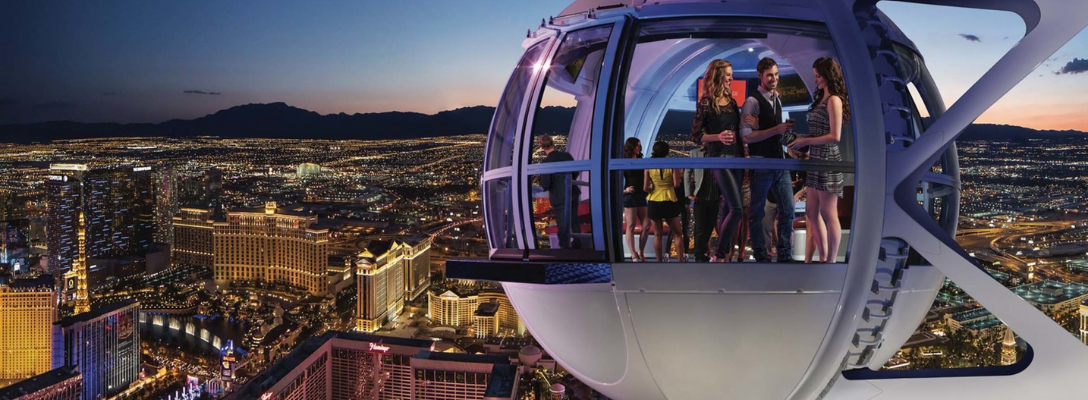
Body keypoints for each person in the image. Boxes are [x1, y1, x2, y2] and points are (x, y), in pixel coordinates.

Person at [788, 57, 849, 263]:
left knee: (828, 212)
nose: (816, 80)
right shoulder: (821, 99)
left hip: (828, 160)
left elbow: (835, 136)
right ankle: (822, 256)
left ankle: (830, 260)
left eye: (818, 76)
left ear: (828, 75)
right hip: (815, 159)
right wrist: (801, 141)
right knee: (812, 212)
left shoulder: (834, 100)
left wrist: (807, 140)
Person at [740, 57, 796, 262]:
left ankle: (784, 253)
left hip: (779, 163)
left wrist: (791, 141)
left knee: (788, 210)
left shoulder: (777, 98)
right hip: (761, 163)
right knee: (756, 213)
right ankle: (760, 255)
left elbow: (775, 133)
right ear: (760, 75)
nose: (774, 79)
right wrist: (775, 129)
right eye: (770, 75)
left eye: (776, 75)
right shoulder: (752, 101)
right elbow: (746, 136)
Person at [690, 59, 745, 262]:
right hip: (719, 158)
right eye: (728, 74)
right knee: (737, 208)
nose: (731, 78)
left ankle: (723, 254)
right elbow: (695, 135)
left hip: (738, 158)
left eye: (732, 74)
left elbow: (739, 131)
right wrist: (717, 137)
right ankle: (719, 255)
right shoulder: (705, 102)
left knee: (731, 209)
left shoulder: (732, 102)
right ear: (718, 75)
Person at [644, 141, 685, 262]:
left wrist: (654, 187)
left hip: (654, 200)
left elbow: (645, 188)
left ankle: (658, 262)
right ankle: (680, 261)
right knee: (677, 233)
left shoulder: (648, 166)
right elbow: (677, 184)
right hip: (669, 199)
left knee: (657, 235)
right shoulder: (672, 164)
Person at [538, 135, 580, 249]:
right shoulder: (566, 156)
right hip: (573, 192)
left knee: (562, 224)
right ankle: (578, 245)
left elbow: (546, 184)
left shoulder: (546, 162)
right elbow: (576, 171)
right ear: (553, 143)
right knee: (574, 221)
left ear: (542, 147)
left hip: (558, 196)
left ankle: (564, 248)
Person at [685, 143, 720, 262]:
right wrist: (689, 193)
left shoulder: (718, 152)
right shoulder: (694, 153)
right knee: (700, 227)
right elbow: (687, 172)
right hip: (700, 196)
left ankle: (701, 253)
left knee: (709, 227)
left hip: (715, 196)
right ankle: (699, 255)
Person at [623, 137, 652, 261]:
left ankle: (641, 250)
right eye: (636, 145)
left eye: (639, 145)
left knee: (646, 225)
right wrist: (625, 190)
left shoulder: (641, 160)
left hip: (641, 194)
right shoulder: (624, 161)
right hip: (630, 195)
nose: (638, 148)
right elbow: (614, 180)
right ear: (631, 146)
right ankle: (633, 253)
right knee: (631, 225)